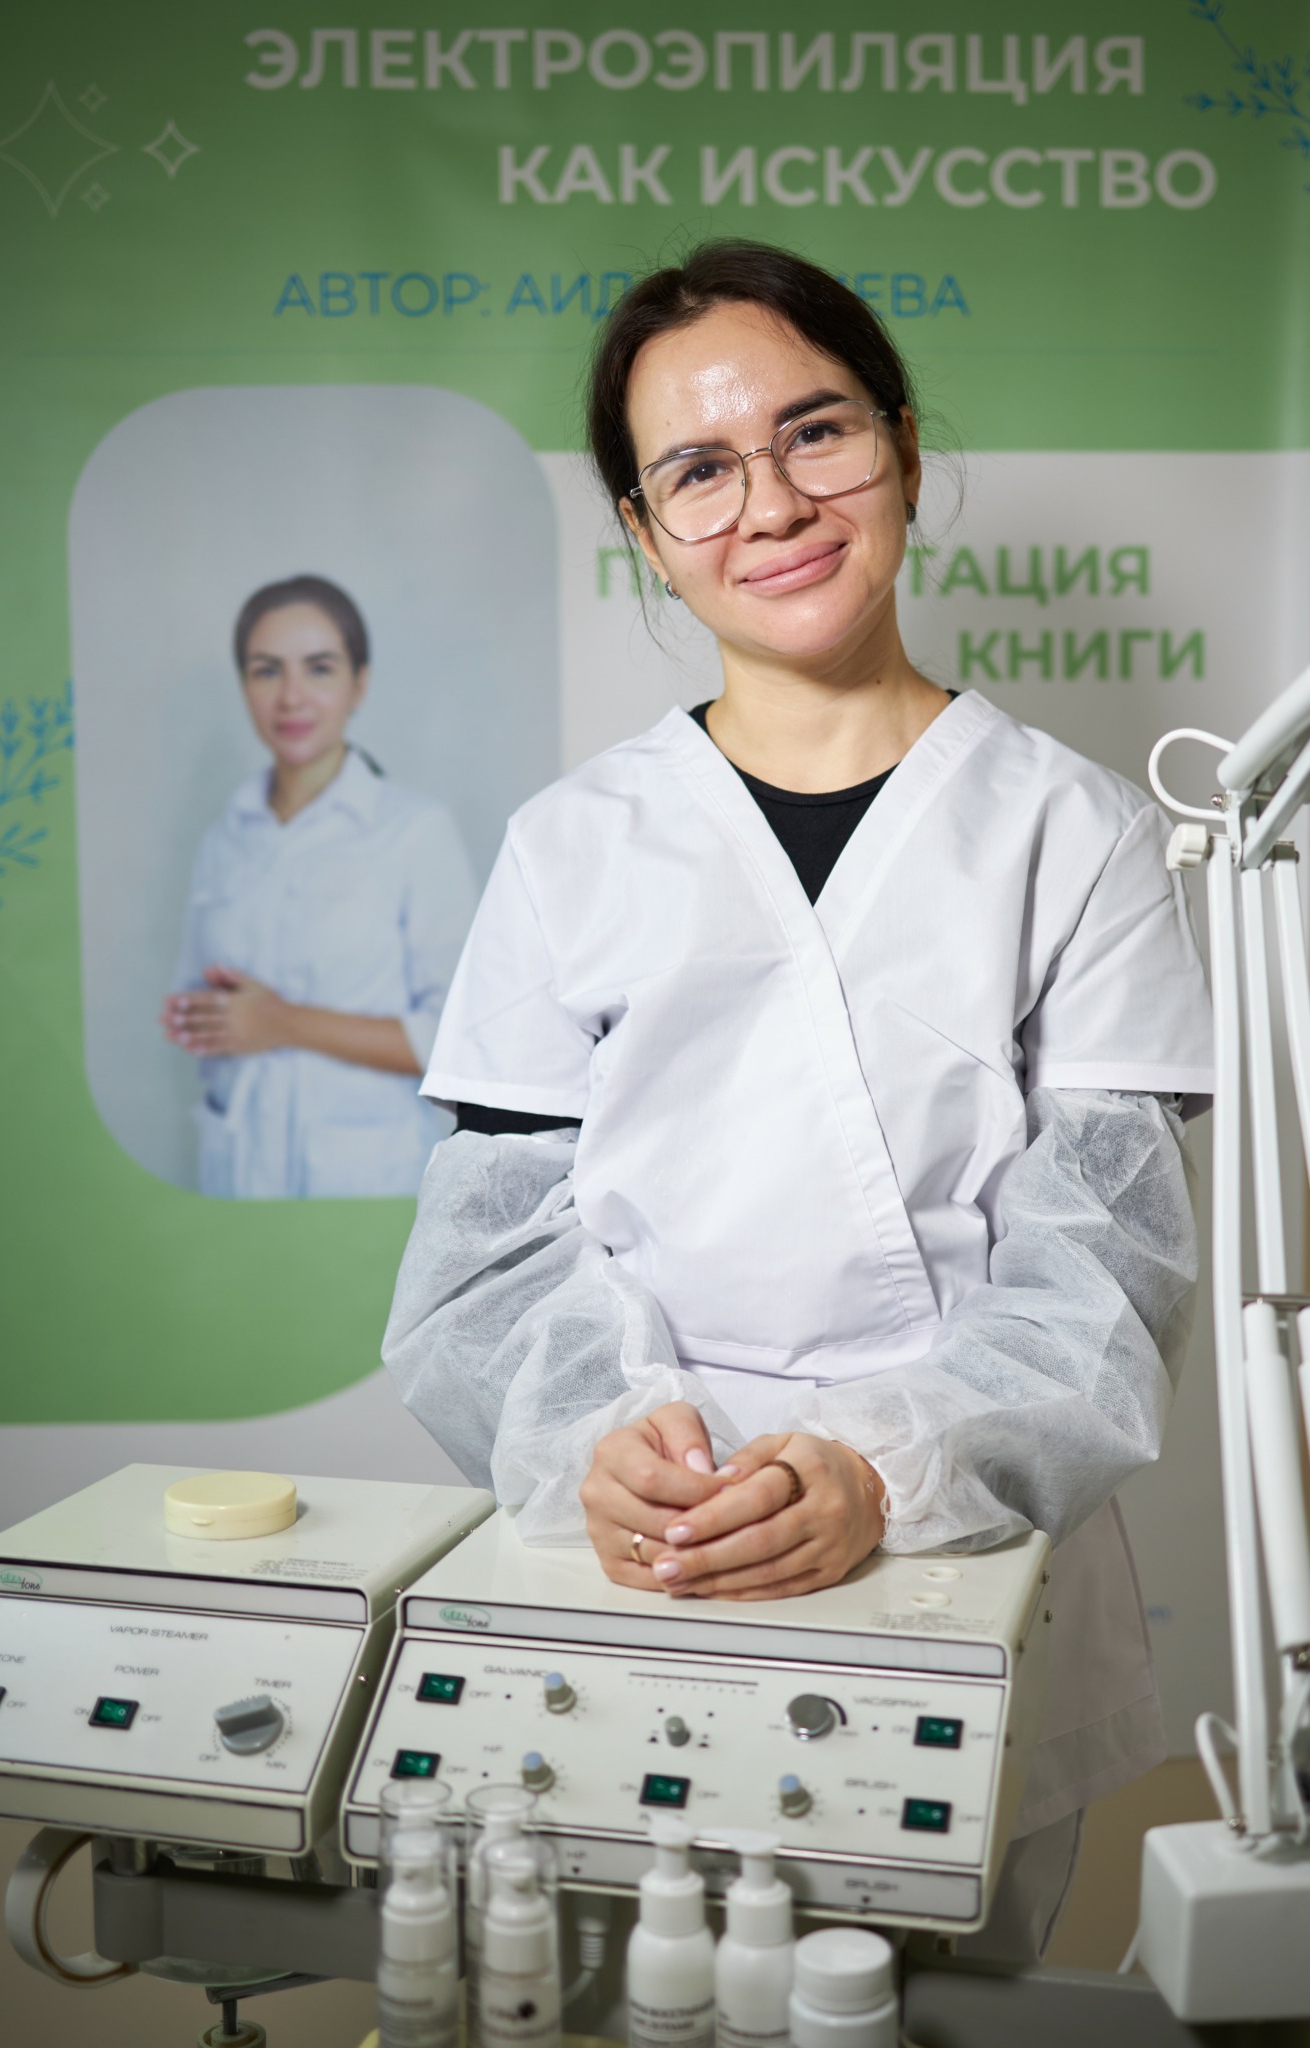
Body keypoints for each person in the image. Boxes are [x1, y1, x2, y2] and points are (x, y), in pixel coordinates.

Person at [382, 242, 1212, 1956]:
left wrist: (884, 1468)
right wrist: (598, 1447)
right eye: (698, 469)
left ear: (899, 441)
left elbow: (1104, 1274)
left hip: (959, 1555)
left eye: (813, 431)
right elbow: (489, 1267)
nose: (769, 502)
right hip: (647, 1546)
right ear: (644, 531)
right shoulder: (570, 845)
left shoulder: (1078, 830)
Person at [162, 573, 475, 1199]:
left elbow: (459, 1039)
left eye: (319, 668)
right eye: (266, 671)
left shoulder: (414, 831)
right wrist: (202, 1020)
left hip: (367, 1180)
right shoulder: (224, 838)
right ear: (244, 685)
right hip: (240, 1174)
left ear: (359, 683)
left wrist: (282, 1023)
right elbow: (201, 1005)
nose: (291, 697)